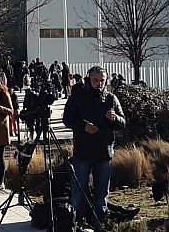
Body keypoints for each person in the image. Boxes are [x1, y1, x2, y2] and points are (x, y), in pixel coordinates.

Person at [63, 65, 126, 230]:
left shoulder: (111, 98)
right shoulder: (78, 97)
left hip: (104, 153)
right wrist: (83, 126)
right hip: (83, 153)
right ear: (88, 80)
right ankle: (75, 224)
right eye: (95, 80)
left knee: (101, 195)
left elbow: (123, 122)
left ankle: (99, 224)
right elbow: (67, 118)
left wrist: (114, 119)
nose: (99, 83)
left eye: (102, 80)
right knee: (78, 193)